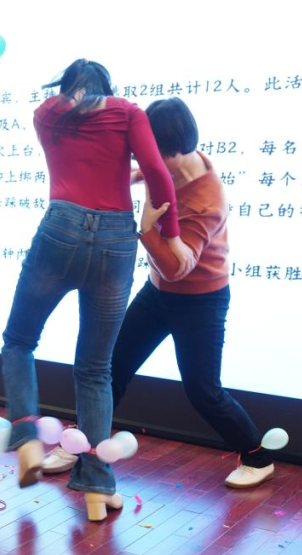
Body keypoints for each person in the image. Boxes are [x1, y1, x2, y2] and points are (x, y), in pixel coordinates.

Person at [0, 59, 192, 521]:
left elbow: (83, 149)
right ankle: (96, 489)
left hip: (61, 228)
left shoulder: (46, 114)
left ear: (66, 87)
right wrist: (171, 233)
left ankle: (26, 438)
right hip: (115, 240)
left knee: (20, 340)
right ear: (108, 87)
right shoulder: (128, 112)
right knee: (95, 368)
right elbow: (159, 174)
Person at [108, 97, 274, 488]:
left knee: (202, 391)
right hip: (157, 293)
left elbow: (176, 267)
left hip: (199, 301)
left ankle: (257, 456)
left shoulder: (206, 199)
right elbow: (149, 173)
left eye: (149, 150)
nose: (144, 158)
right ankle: (83, 441)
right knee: (112, 368)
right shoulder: (176, 164)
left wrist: (145, 229)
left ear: (171, 151)